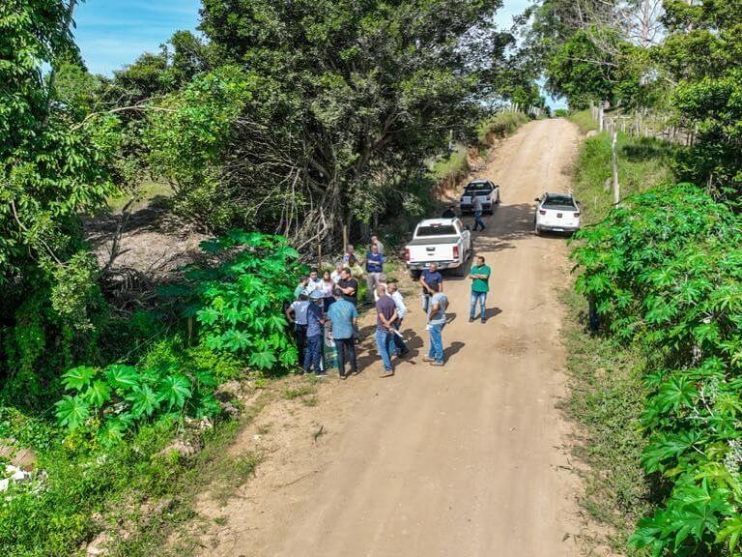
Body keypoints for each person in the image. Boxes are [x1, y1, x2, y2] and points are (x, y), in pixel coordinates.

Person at [326, 289, 359, 379]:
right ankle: (354, 370)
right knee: (351, 351)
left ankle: (342, 374)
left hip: (337, 332)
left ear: (334, 296)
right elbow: (355, 319)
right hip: (348, 331)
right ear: (342, 295)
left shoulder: (332, 306)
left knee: (340, 353)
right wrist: (352, 326)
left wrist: (330, 329)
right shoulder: (350, 305)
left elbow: (329, 319)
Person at [375, 285, 398, 378]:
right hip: (390, 327)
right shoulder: (391, 300)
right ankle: (387, 365)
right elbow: (396, 313)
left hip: (382, 328)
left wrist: (386, 323)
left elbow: (381, 316)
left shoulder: (379, 302)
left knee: (382, 349)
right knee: (388, 347)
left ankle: (388, 368)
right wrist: (390, 322)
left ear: (379, 291)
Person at [285, 293, 310, 370]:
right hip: (307, 325)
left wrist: (290, 319)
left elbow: (287, 311)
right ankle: (308, 362)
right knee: (308, 344)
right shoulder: (309, 303)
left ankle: (301, 363)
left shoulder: (295, 303)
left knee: (300, 345)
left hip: (298, 325)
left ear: (299, 297)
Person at [425, 290, 449, 366]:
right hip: (442, 320)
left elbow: (435, 308)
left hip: (435, 322)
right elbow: (447, 303)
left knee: (436, 341)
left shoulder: (435, 297)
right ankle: (431, 355)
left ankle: (439, 360)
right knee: (433, 339)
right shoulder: (443, 294)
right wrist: (443, 311)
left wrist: (430, 317)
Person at [304, 290, 325, 376]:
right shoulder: (316, 308)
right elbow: (322, 321)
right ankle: (317, 372)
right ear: (317, 299)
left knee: (309, 351)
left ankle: (306, 369)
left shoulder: (310, 306)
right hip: (315, 332)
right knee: (317, 352)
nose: (321, 300)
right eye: (320, 298)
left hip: (309, 333)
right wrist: (326, 319)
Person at [387, 281, 409, 356]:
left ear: (393, 289)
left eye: (388, 288)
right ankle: (401, 349)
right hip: (396, 317)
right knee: (394, 334)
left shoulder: (396, 296)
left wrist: (399, 318)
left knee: (394, 335)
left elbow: (403, 308)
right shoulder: (394, 295)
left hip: (396, 318)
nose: (387, 289)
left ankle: (402, 348)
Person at [468, 255, 491, 323]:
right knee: (472, 303)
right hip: (474, 289)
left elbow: (485, 276)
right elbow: (470, 276)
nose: (477, 262)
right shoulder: (474, 267)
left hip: (483, 290)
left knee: (482, 304)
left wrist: (476, 275)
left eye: (479, 262)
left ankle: (483, 317)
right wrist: (480, 275)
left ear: (483, 262)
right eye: (477, 261)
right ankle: (472, 316)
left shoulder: (487, 268)